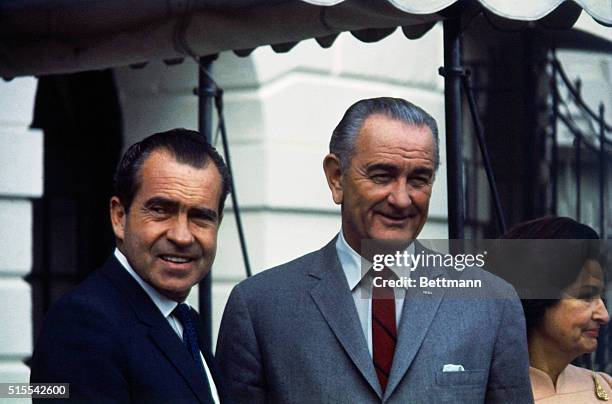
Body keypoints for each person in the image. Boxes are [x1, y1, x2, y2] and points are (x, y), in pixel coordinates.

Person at [216, 97, 533, 403]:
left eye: (419, 180)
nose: (401, 199)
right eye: (382, 176)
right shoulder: (260, 307)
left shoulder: (492, 302)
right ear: (337, 178)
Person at [30, 129, 231, 403]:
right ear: (119, 217)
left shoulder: (186, 322)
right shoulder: (82, 324)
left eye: (200, 217)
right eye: (161, 210)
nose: (182, 236)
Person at [501, 216, 611, 403]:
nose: (604, 315)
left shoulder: (604, 386)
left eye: (601, 297)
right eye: (585, 295)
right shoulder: (484, 394)